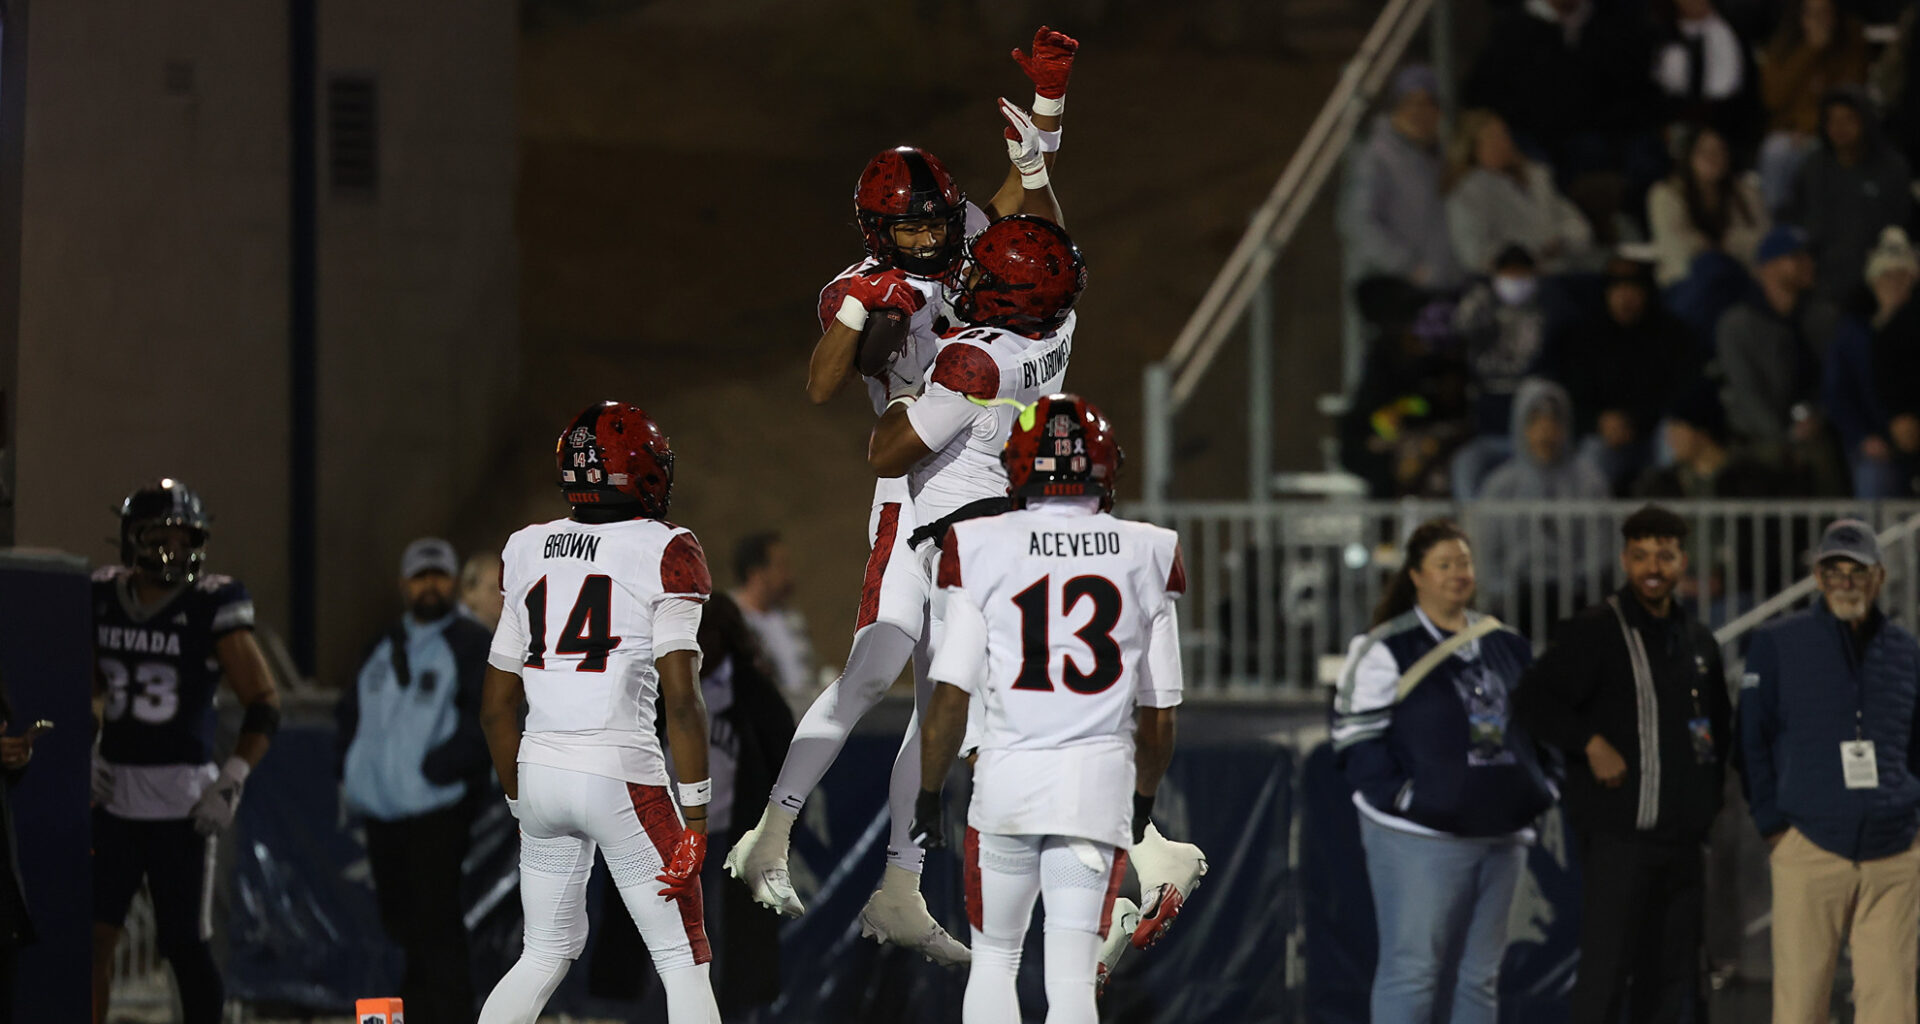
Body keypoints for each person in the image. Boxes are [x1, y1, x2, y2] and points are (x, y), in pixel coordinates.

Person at [735, 26, 1078, 963]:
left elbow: (1023, 213)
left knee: (938, 708)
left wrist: (1047, 112)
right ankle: (771, 831)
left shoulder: (956, 234)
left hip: (970, 491)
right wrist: (863, 306)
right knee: (871, 670)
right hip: (911, 495)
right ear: (876, 232)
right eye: (913, 230)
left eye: (937, 224)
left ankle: (901, 885)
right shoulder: (860, 285)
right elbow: (820, 385)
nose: (932, 240)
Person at [911, 394, 1187, 1023]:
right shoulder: (1147, 550)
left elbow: (951, 696)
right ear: (1107, 466)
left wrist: (929, 793)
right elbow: (1160, 716)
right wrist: (1143, 802)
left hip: (1008, 781)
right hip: (1095, 788)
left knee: (995, 961)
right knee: (1071, 980)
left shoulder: (979, 544)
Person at [475, 401, 719, 1023]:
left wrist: (520, 801)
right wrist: (695, 817)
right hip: (621, 774)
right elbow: (683, 701)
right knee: (683, 960)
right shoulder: (666, 548)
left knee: (542, 953)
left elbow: (496, 708)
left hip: (538, 771)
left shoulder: (525, 548)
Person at [1330, 518, 1555, 1024]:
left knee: (1480, 977)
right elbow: (1354, 738)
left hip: (1503, 834)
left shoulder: (1506, 642)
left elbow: (1543, 725)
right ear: (1416, 575)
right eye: (1444, 564)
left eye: (1464, 563)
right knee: (1413, 971)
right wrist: (1410, 798)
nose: (1458, 573)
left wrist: (1542, 788)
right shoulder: (1384, 647)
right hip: (1419, 837)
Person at [1513, 506, 1730, 1024]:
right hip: (1620, 841)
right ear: (1624, 560)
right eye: (1641, 556)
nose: (1653, 567)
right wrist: (1589, 742)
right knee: (1606, 976)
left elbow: (1718, 728)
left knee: (1671, 980)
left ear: (1682, 561)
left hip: (1682, 845)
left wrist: (1705, 807)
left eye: (1665, 556)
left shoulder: (1698, 640)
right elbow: (1532, 700)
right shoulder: (1596, 630)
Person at [90, 479, 281, 1024]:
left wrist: (233, 777)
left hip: (183, 803)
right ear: (131, 538)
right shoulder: (101, 596)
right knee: (94, 939)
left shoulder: (212, 603)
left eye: (185, 539)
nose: (174, 551)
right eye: (160, 538)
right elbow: (82, 686)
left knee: (184, 945)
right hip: (113, 794)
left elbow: (264, 702)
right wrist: (86, 749)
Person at [1741, 519, 1920, 1024]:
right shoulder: (1778, 643)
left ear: (1879, 577)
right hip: (1810, 844)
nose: (1845, 582)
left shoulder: (1906, 650)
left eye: (1857, 571)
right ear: (1818, 578)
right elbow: (1751, 740)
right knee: (1800, 1006)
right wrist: (1774, 827)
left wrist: (1912, 820)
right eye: (1834, 571)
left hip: (1894, 852)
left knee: (1893, 1007)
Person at [336, 537, 494, 1024]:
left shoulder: (471, 643)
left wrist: (440, 770)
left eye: (439, 575)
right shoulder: (382, 644)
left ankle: (450, 1016)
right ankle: (416, 1014)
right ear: (404, 584)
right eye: (420, 576)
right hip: (383, 810)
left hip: (437, 808)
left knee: (436, 922)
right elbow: (349, 712)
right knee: (400, 923)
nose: (430, 585)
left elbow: (487, 719)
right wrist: (355, 769)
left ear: (454, 583)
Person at [1536, 254, 1703, 493]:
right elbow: (1570, 397)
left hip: (1652, 432)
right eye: (1617, 287)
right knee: (1592, 455)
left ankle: (1670, 512)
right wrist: (1598, 422)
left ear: (1646, 292)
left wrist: (1636, 421)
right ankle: (1593, 519)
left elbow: (1683, 394)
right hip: (1603, 437)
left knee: (1673, 439)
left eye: (1633, 287)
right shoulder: (1584, 337)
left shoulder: (1673, 335)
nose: (1625, 296)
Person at [1716, 224, 1841, 484]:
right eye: (1796, 257)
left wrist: (1816, 416)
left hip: (1815, 432)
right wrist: (1784, 438)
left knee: (1823, 455)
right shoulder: (1737, 323)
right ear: (1768, 268)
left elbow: (1834, 379)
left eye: (1808, 256)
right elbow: (1747, 392)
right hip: (1756, 439)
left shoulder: (1822, 317)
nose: (1808, 264)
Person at [1782, 87, 1915, 305]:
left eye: (1848, 119)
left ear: (1866, 121)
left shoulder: (1892, 168)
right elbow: (1797, 219)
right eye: (1832, 120)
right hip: (1821, 281)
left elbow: (1902, 225)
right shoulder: (1813, 166)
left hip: (1879, 277)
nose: (1839, 128)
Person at [1342, 64, 1463, 293]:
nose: (1419, 113)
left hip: (1439, 286)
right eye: (1410, 103)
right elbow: (1356, 222)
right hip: (1392, 289)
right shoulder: (1376, 156)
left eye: (1427, 104)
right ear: (1396, 108)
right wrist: (1407, 266)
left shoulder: (1438, 157)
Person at [1448, 244, 1549, 499]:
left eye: (1521, 274)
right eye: (1509, 274)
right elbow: (1458, 328)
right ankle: (1472, 523)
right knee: (1465, 465)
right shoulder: (1482, 303)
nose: (1515, 281)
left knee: (1520, 481)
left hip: (1531, 432)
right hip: (1489, 428)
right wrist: (1481, 287)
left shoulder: (1544, 308)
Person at [1826, 226, 1918, 497]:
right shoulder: (1852, 333)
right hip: (1875, 445)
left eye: (1902, 276)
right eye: (1886, 276)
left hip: (1913, 440)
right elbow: (1837, 392)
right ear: (1873, 281)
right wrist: (1863, 437)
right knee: (1875, 480)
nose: (1894, 284)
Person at [1444, 110, 1595, 276]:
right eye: (1492, 138)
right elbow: (1474, 254)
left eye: (1503, 135)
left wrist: (1560, 241)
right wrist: (1528, 254)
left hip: (1562, 271)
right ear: (1472, 148)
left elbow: (1577, 225)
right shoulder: (1467, 193)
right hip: (1514, 281)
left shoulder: (1536, 176)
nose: (1502, 143)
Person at [1758, 0, 1870, 212]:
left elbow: (1849, 97)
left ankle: (1820, 222)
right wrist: (1809, 51)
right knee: (1776, 151)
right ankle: (1776, 222)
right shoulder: (1784, 45)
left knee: (1820, 150)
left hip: (1833, 131)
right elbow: (1773, 99)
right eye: (1811, 14)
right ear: (1800, 16)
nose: (1819, 21)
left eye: (1824, 13)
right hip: (1789, 132)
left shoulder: (1851, 41)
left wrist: (1812, 128)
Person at [1647, 125, 1769, 289]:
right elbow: (1675, 247)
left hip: (1742, 278)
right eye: (1703, 152)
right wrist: (1711, 249)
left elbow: (1764, 239)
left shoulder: (1746, 192)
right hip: (1689, 282)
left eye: (1719, 151)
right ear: (1689, 156)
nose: (1712, 158)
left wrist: (1726, 244)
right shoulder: (1666, 194)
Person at [1649, 0, 1763, 160]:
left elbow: (1750, 90)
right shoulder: (1659, 33)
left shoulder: (1736, 28)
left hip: (1730, 123)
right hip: (1671, 121)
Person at [730, 531, 814, 700]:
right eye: (781, 566)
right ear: (756, 574)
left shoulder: (791, 619)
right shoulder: (730, 622)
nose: (788, 575)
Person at [459, 551, 503, 632]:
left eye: (504, 589)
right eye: (492, 589)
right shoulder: (456, 635)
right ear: (470, 593)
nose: (501, 596)